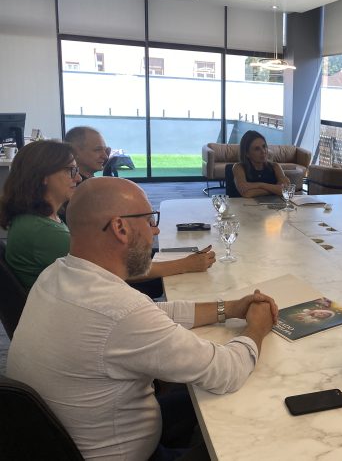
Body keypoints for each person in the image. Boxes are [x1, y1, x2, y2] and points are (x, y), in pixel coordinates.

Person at [7, 176, 279, 460]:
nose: (156, 230)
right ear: (120, 228)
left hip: (78, 438)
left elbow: (152, 312)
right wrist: (257, 327)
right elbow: (226, 371)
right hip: (133, 454)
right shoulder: (119, 311)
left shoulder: (56, 273)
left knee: (193, 397)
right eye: (150, 221)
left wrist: (229, 308)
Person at [63, 125, 216, 288]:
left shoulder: (92, 186)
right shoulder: (81, 197)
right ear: (75, 152)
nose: (105, 156)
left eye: (106, 150)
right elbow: (110, 265)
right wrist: (185, 265)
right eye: (97, 150)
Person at [0, 140, 81, 290]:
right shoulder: (43, 231)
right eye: (71, 170)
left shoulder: (34, 219)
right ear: (43, 175)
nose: (78, 178)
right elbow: (105, 271)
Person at [226, 130, 290, 198]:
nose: (263, 151)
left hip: (272, 204)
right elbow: (247, 194)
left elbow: (284, 190)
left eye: (264, 146)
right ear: (247, 153)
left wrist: (261, 185)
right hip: (244, 204)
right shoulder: (238, 167)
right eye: (257, 149)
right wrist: (274, 189)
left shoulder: (275, 166)